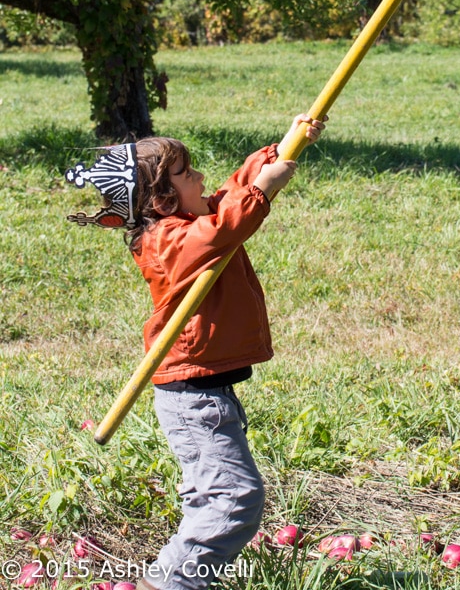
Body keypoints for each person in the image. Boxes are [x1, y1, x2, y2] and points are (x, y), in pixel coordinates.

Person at [66, 114, 326, 590]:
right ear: (163, 200)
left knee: (224, 498)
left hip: (205, 392)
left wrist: (280, 150)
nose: (201, 177)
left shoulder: (186, 219)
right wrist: (262, 193)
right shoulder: (167, 241)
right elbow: (223, 226)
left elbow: (227, 197)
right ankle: (171, 584)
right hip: (192, 398)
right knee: (233, 501)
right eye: (188, 174)